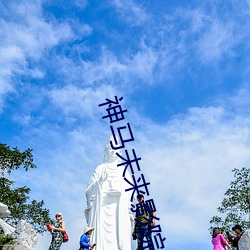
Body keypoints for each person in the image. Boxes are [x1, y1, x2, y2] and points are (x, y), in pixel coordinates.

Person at [85, 136, 134, 250]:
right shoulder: (100, 168)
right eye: (111, 149)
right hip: (101, 208)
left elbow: (131, 191)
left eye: (115, 149)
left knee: (119, 237)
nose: (113, 151)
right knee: (100, 238)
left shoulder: (123, 170)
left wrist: (122, 191)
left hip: (118, 209)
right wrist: (99, 182)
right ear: (106, 150)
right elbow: (88, 190)